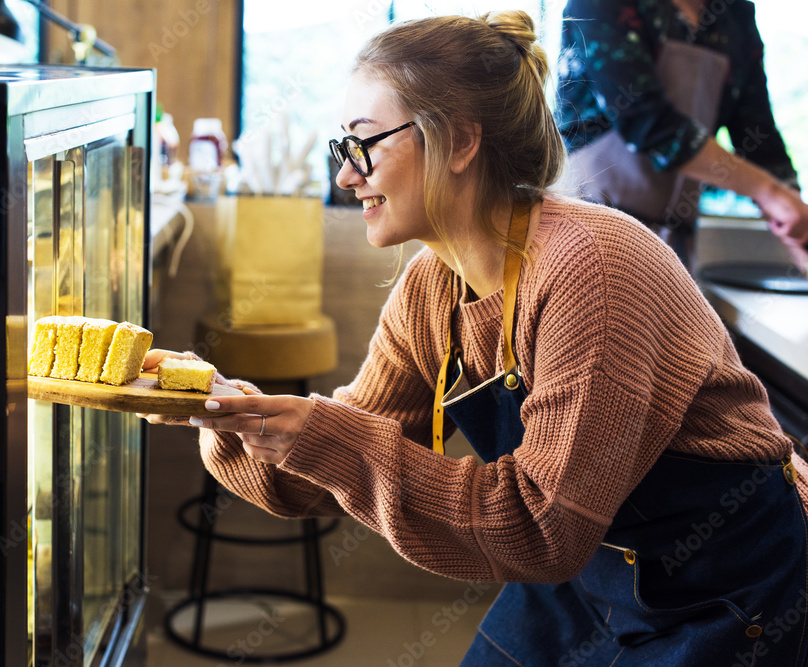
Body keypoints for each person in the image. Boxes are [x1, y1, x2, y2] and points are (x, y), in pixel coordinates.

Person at [143, 11, 808, 665]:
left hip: (728, 590)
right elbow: (317, 480)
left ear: (461, 142)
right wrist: (220, 410)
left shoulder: (591, 270)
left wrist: (317, 433)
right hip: (588, 580)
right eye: (342, 149)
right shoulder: (431, 286)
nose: (348, 175)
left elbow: (541, 528)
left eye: (365, 142)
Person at [555, 0, 808, 271]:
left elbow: (760, 140)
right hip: (589, 234)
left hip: (674, 245)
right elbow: (648, 124)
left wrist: (795, 219)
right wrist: (768, 191)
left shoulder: (735, 12)